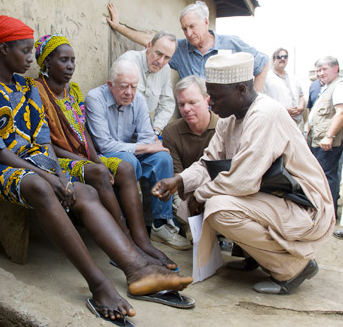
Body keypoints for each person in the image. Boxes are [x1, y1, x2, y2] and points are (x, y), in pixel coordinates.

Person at [0, 16, 192, 321]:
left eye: (31, 51)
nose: (30, 58)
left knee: (83, 191)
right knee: (42, 186)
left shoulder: (27, 88)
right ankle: (100, 285)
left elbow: (41, 143)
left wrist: (60, 175)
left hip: (31, 164)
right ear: (2, 49)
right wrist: (46, 176)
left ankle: (137, 268)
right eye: (25, 51)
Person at [152, 52, 335, 295]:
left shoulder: (265, 113)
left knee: (218, 208)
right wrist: (179, 181)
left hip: (304, 206)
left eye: (216, 97)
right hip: (274, 197)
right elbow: (209, 162)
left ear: (240, 90)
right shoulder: (230, 118)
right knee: (200, 198)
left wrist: (199, 195)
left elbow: (242, 181)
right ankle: (257, 257)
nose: (210, 103)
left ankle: (293, 268)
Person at [33, 33, 173, 265]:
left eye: (73, 60)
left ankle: (143, 240)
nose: (70, 67)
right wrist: (95, 163)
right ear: (47, 62)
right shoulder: (37, 91)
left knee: (126, 168)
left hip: (83, 156)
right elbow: (46, 142)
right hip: (55, 158)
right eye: (63, 60)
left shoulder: (73, 91)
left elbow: (84, 132)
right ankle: (125, 240)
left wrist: (96, 160)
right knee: (108, 169)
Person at [85, 59, 191, 250]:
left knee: (162, 158)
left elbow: (147, 138)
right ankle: (125, 225)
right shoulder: (95, 98)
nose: (130, 93)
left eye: (134, 86)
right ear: (110, 85)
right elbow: (104, 145)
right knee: (128, 162)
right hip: (101, 156)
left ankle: (160, 224)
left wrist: (148, 147)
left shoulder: (138, 99)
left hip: (130, 151)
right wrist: (147, 147)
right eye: (124, 87)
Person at [106, 1, 269, 91]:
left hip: (226, 118)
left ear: (206, 22)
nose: (188, 33)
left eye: (192, 27)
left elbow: (263, 63)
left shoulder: (232, 44)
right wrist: (119, 27)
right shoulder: (181, 49)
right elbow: (150, 40)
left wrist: (252, 102)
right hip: (195, 121)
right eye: (184, 28)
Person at [161, 75, 218, 222]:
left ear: (207, 100)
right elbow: (177, 176)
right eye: (181, 104)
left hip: (217, 188)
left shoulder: (223, 126)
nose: (186, 109)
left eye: (193, 103)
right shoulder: (171, 132)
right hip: (184, 188)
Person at [116, 31, 176, 135]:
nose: (161, 61)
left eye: (167, 58)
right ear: (149, 46)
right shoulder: (128, 61)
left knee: (165, 152)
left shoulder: (165, 70)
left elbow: (167, 103)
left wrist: (156, 130)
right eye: (159, 54)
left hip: (145, 130)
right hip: (119, 128)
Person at [308, 56, 343, 218]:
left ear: (336, 68)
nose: (321, 73)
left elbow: (341, 112)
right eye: (318, 70)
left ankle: (329, 215)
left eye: (324, 69)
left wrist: (329, 136)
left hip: (327, 143)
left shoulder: (338, 86)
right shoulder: (326, 86)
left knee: (327, 177)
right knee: (321, 176)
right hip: (319, 141)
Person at [263, 48, 305, 131]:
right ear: (273, 59)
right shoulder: (266, 78)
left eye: (285, 57)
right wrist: (284, 111)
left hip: (297, 123)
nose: (282, 59)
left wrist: (301, 107)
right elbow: (263, 101)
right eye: (279, 57)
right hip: (279, 123)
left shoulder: (293, 78)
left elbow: (301, 95)